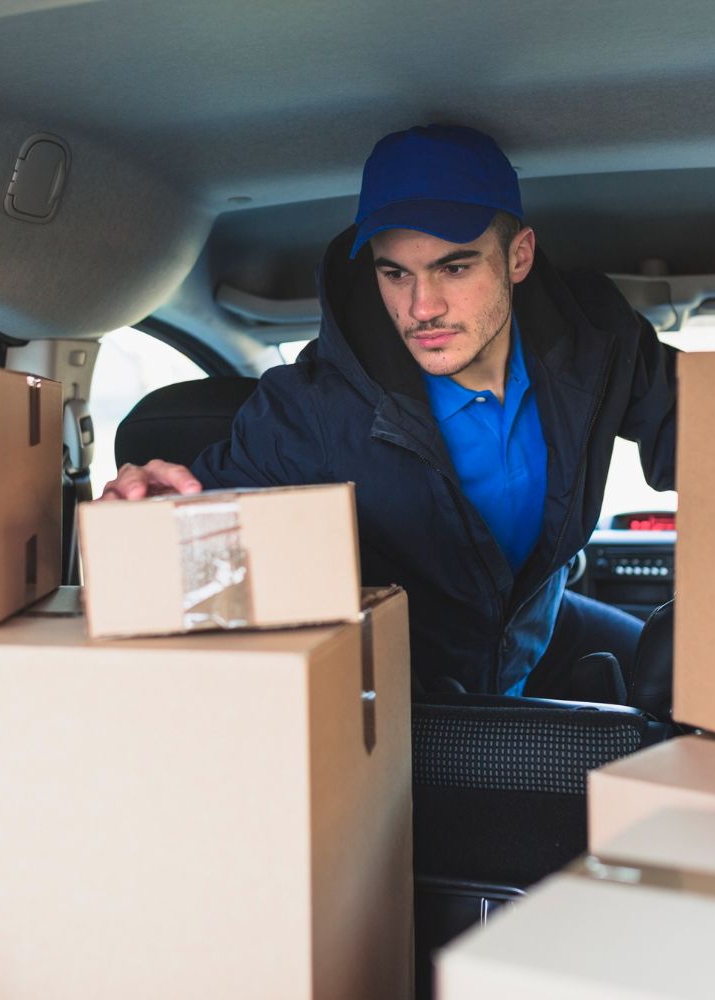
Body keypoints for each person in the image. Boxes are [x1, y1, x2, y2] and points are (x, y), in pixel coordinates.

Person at [102, 124, 676, 702]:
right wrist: (148, 518)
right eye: (394, 272)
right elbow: (204, 540)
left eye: (455, 267)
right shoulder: (310, 408)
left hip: (537, 637)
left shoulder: (598, 343)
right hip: (405, 697)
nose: (422, 307)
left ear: (518, 256)